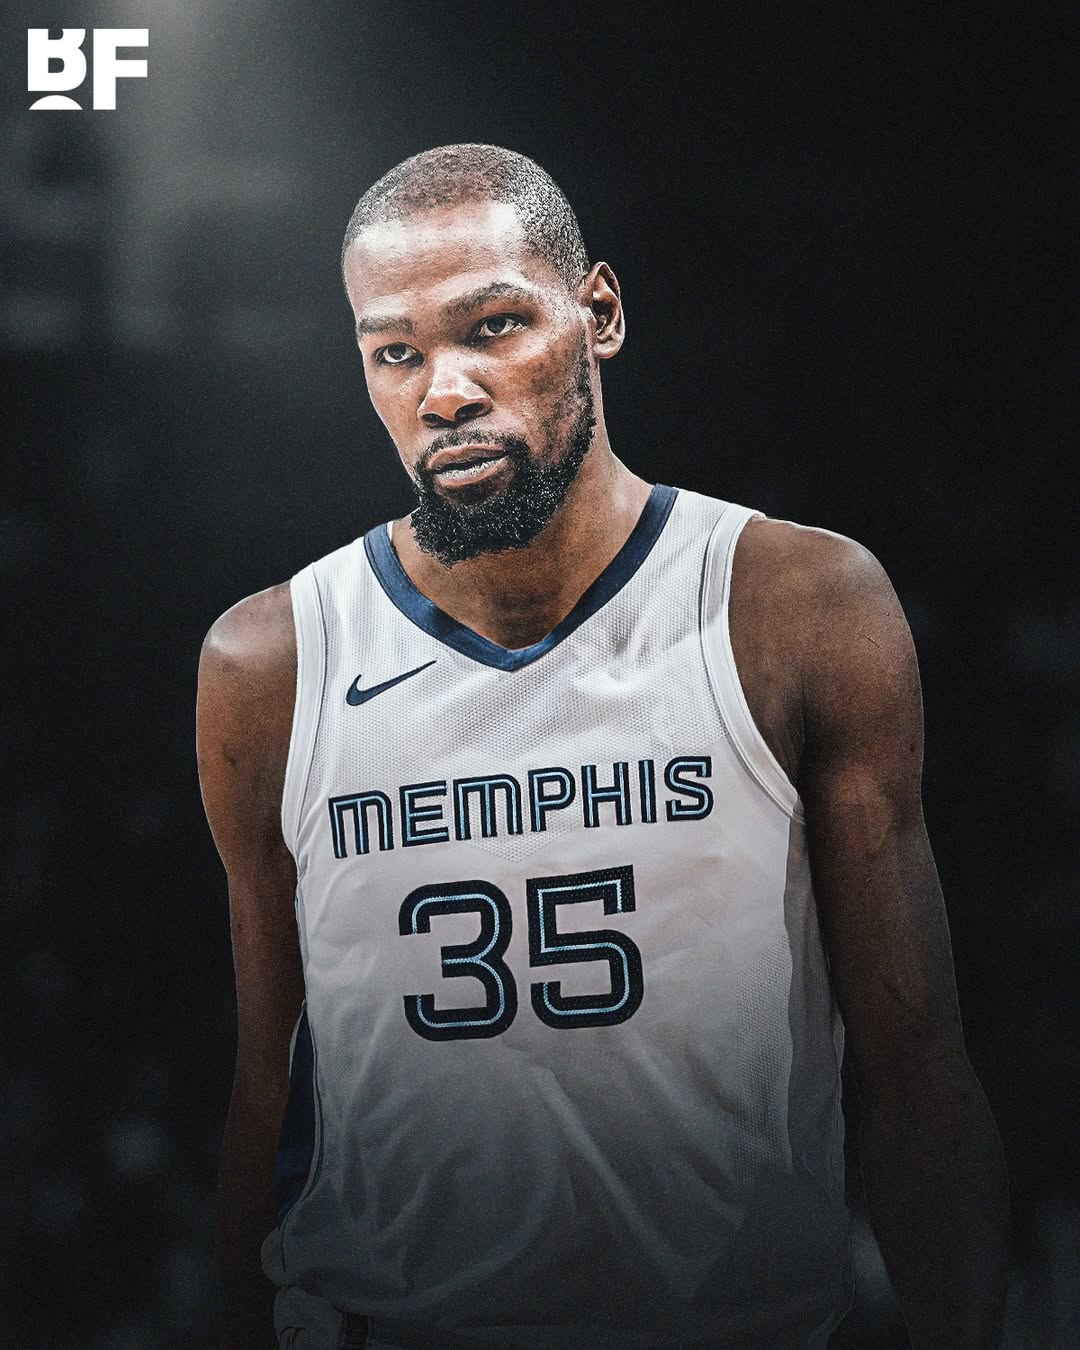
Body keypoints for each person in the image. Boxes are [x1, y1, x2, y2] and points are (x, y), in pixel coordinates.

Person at [196, 144, 1009, 1350]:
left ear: (601, 314)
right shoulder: (269, 664)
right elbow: (267, 1097)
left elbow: (914, 1070)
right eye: (396, 353)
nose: (446, 392)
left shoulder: (796, 605)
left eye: (494, 327)